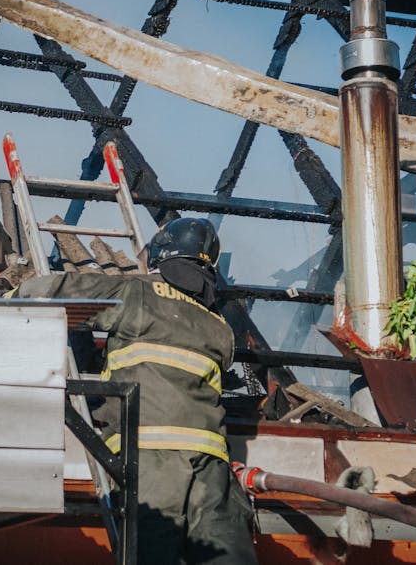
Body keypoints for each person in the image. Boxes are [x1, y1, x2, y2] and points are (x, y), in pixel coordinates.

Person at [16, 217, 258, 564]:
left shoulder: (137, 294)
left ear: (163, 256)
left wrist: (10, 297)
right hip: (211, 466)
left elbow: (62, 292)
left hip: (151, 459)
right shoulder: (219, 326)